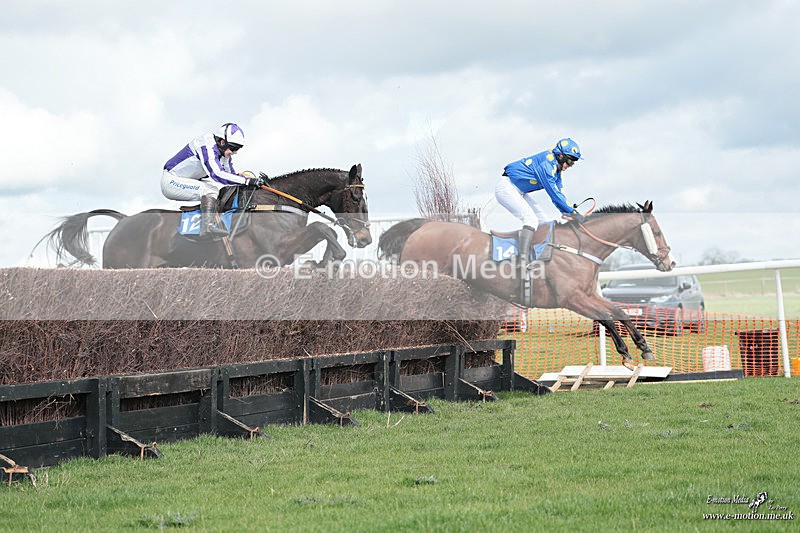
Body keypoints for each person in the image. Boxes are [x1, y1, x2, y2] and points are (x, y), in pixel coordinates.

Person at [495, 137, 586, 268]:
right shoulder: (547, 164)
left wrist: (568, 212)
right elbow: (553, 193)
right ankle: (522, 259)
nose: (569, 166)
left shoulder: (556, 171)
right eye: (569, 161)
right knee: (531, 219)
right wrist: (572, 211)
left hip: (519, 191)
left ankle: (540, 257)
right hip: (506, 188)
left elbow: (559, 193)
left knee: (544, 221)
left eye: (573, 163)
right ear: (560, 155)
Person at [161, 123, 264, 237]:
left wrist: (249, 180)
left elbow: (230, 174)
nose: (235, 152)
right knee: (209, 190)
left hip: (189, 180)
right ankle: (207, 228)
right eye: (233, 148)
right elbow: (217, 174)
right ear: (222, 142)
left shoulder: (222, 151)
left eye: (237, 149)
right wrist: (246, 181)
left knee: (218, 188)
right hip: (171, 181)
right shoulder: (206, 145)